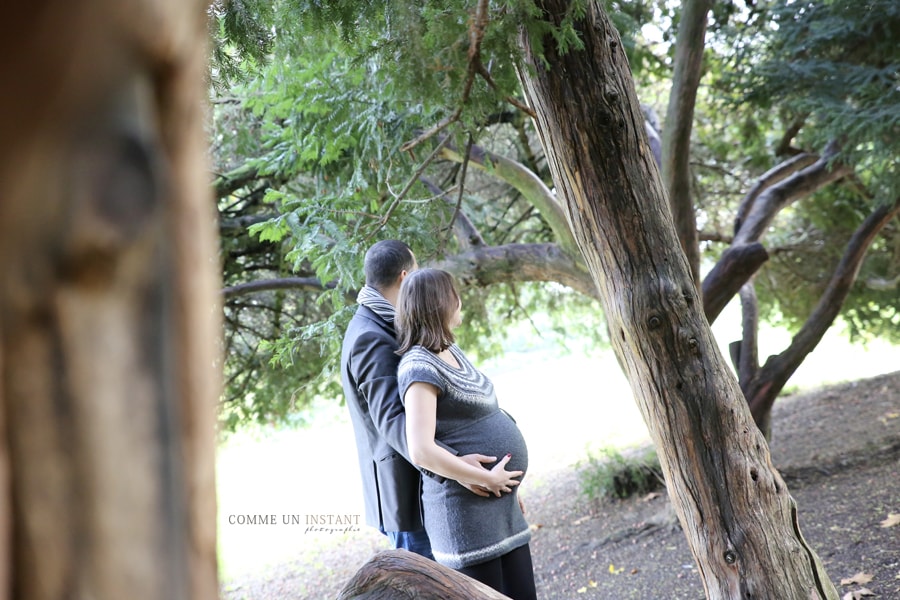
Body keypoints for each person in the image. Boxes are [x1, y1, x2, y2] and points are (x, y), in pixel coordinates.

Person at [341, 241, 520, 559]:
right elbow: (392, 421)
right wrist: (457, 466)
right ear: (406, 276)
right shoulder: (369, 335)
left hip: (438, 487)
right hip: (410, 497)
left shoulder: (394, 322)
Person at [395, 268, 537, 600]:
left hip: (499, 510)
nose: (459, 300)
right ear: (439, 303)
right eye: (453, 294)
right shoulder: (418, 367)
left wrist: (507, 489)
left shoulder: (449, 350)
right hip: (466, 519)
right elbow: (421, 449)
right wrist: (485, 479)